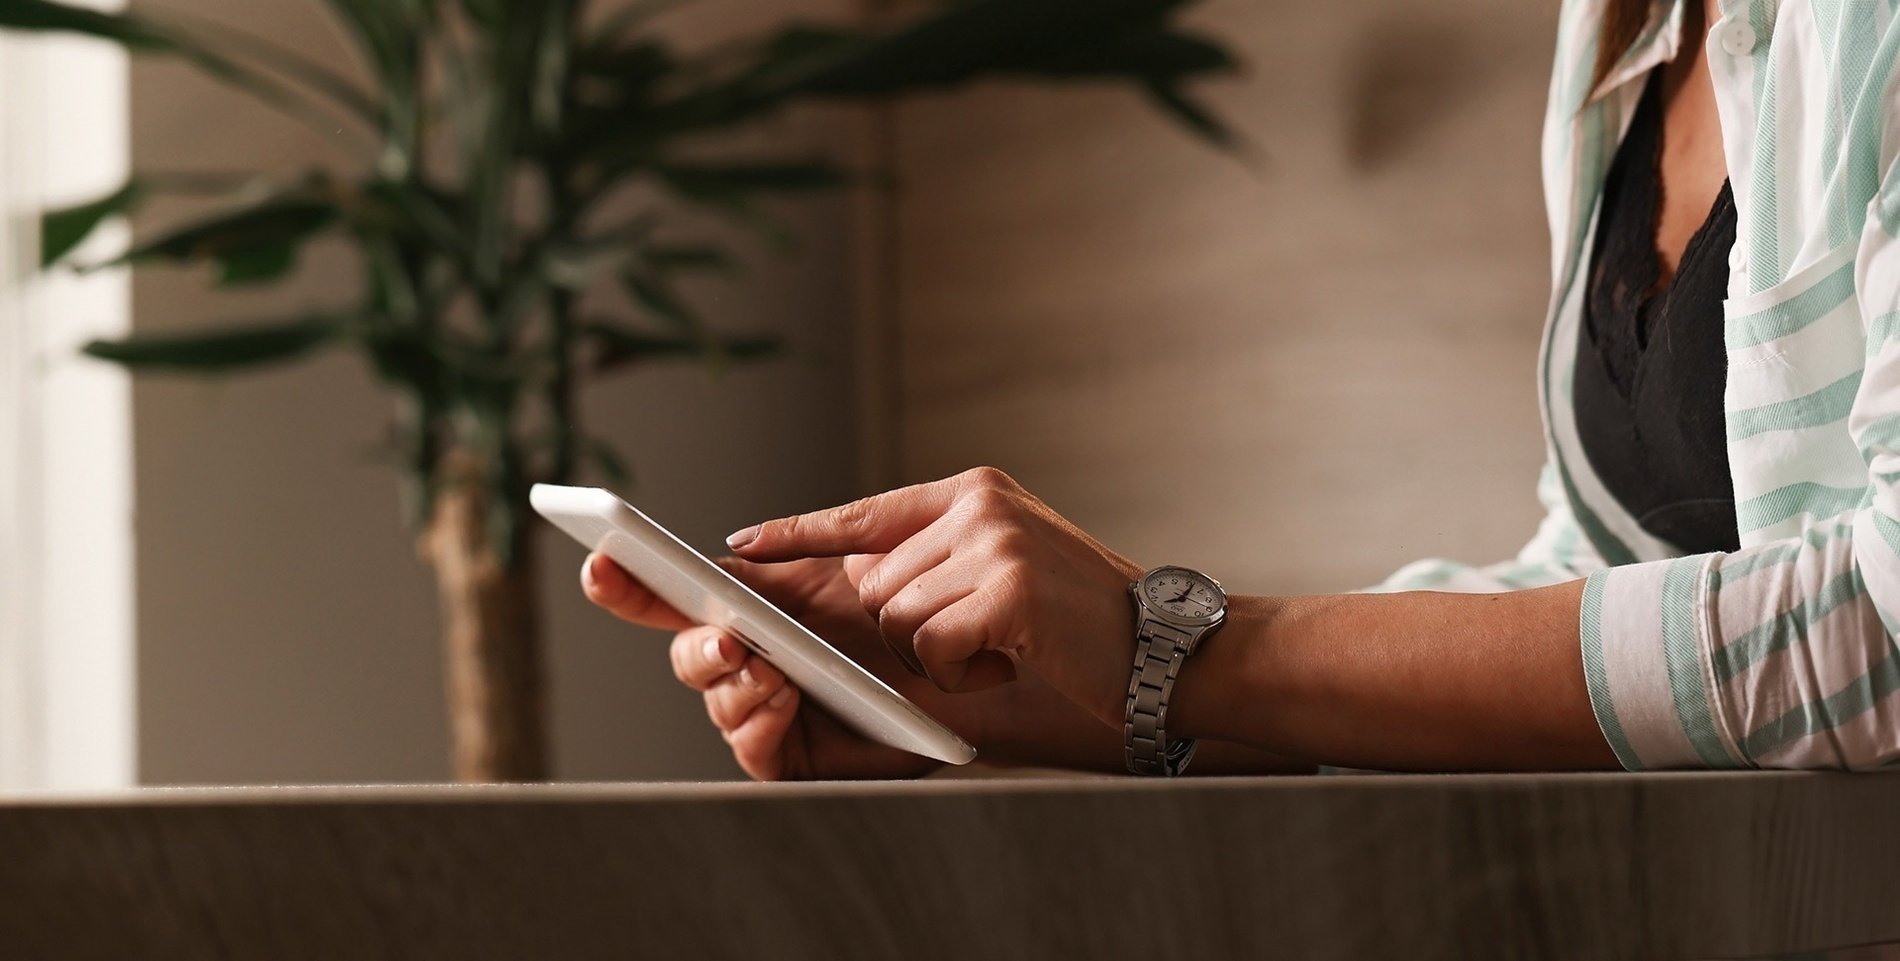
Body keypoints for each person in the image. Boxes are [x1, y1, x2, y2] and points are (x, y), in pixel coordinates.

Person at [584, 0, 1900, 781]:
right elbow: (1609, 576)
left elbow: (1885, 627)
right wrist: (1044, 696)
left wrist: (1186, 643)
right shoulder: (1635, 33)